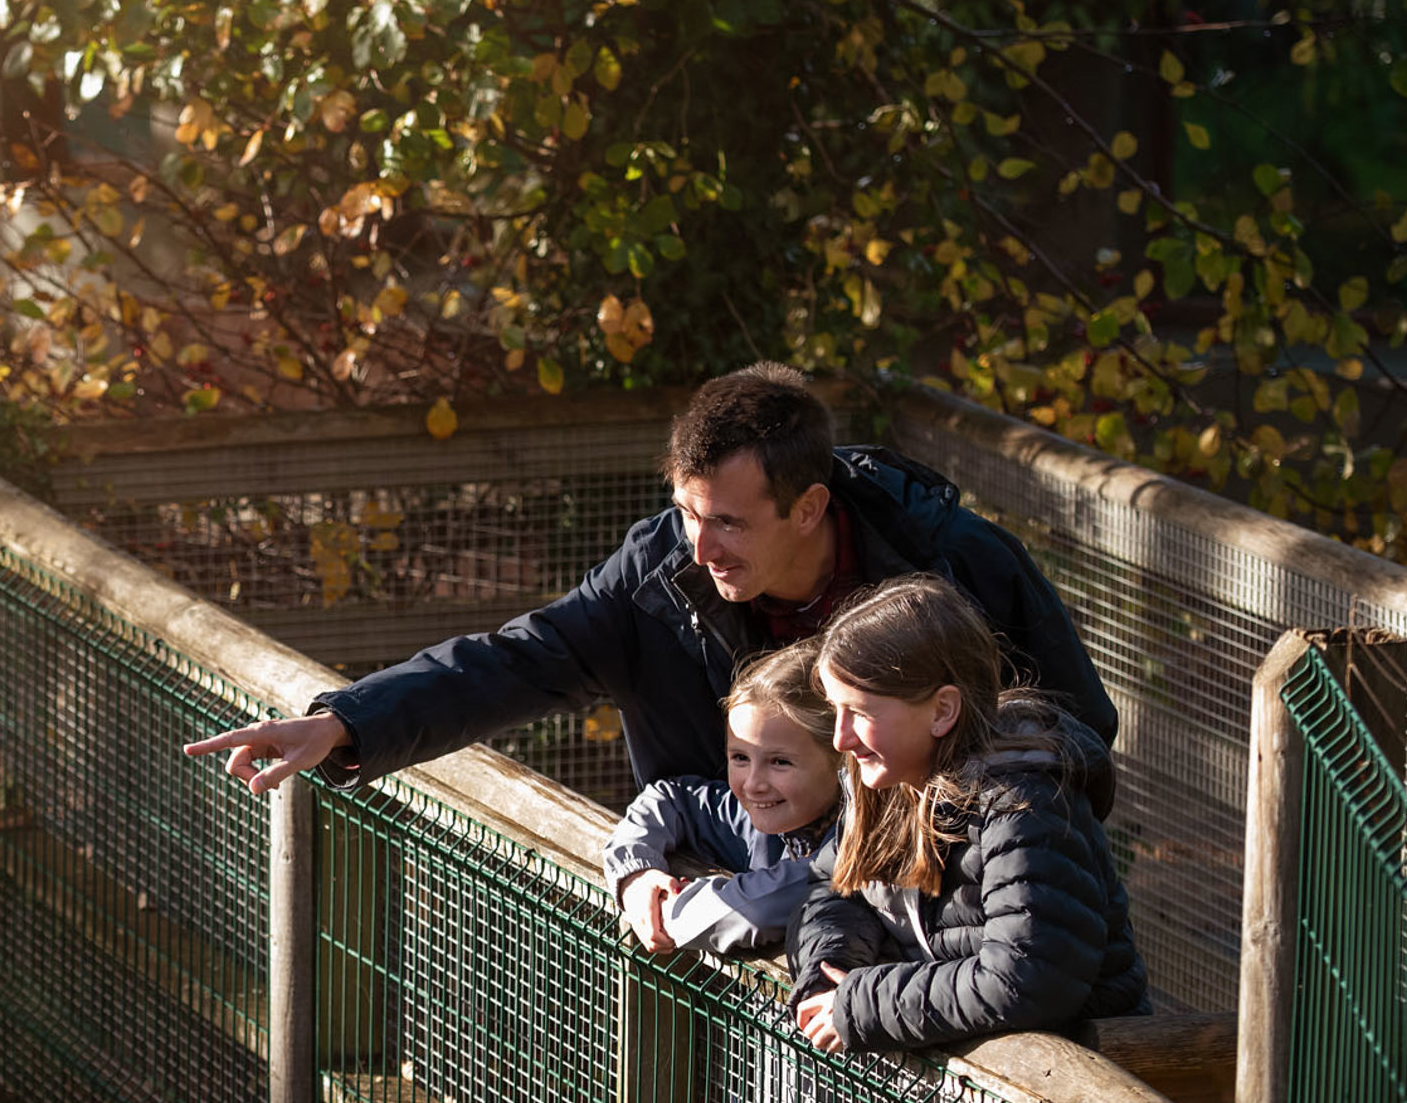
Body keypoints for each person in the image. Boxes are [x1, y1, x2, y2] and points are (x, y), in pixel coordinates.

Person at [186, 362, 1116, 797]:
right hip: (739, 907)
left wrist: (967, 826)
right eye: (686, 513)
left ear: (809, 508)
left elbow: (1080, 732)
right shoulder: (658, 577)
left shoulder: (954, 565)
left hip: (927, 922)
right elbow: (518, 659)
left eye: (727, 522)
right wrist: (351, 721)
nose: (700, 547)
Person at [788, 572, 1148, 1058]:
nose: (841, 739)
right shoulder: (892, 784)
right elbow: (833, 887)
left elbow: (1028, 978)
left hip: (1074, 1090)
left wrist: (860, 1004)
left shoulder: (1025, 806)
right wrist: (828, 970)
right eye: (836, 709)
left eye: (861, 712)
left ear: (942, 711)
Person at [603, 639, 842, 957]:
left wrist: (670, 909)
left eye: (780, 762)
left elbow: (752, 912)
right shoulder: (754, 817)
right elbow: (669, 799)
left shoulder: (854, 845)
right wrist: (635, 875)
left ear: (841, 760)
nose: (753, 784)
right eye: (740, 757)